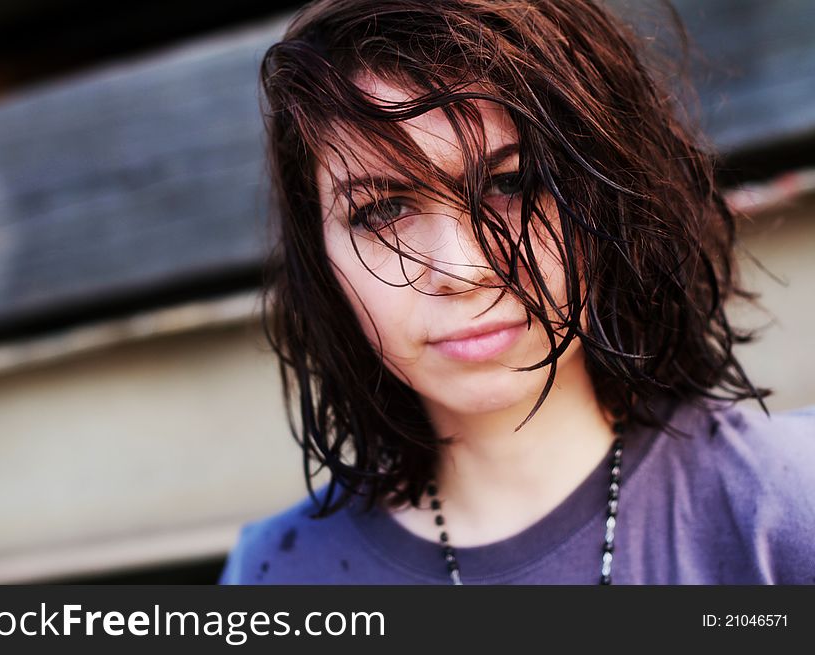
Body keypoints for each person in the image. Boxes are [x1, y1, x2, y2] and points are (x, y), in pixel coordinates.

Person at [218, 0, 815, 584]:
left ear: (613, 192)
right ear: (320, 259)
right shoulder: (278, 576)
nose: (460, 267)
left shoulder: (787, 508)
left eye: (511, 182)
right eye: (382, 210)